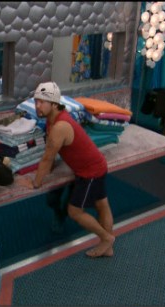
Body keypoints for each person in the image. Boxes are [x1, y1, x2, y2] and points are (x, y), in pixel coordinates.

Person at [18, 82, 115, 258]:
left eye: (42, 102)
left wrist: (36, 183)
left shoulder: (60, 126)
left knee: (74, 211)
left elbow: (47, 158)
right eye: (36, 101)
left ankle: (106, 238)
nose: (37, 106)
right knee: (102, 204)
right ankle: (108, 248)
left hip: (90, 172)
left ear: (55, 104)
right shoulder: (53, 119)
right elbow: (53, 152)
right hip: (97, 164)